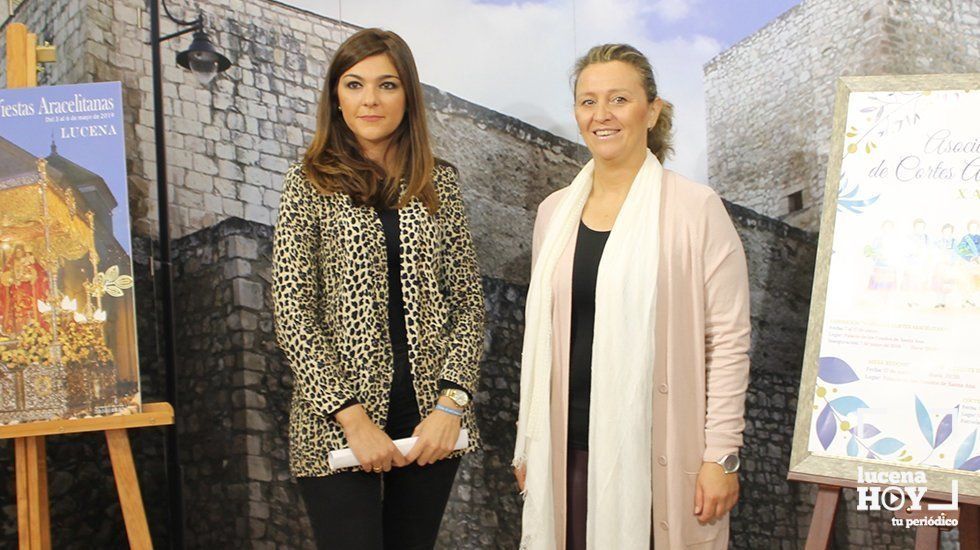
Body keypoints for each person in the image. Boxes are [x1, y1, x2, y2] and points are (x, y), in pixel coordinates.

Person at [513, 44, 750, 549]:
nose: (601, 115)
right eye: (587, 101)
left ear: (653, 110)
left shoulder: (695, 209)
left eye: (619, 99)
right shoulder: (553, 214)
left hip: (658, 449)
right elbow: (545, 338)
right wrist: (531, 444)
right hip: (568, 448)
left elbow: (727, 339)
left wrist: (721, 455)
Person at [272, 28, 485, 550]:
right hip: (335, 423)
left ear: (408, 95)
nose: (370, 99)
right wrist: (354, 420)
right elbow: (292, 309)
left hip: (431, 424)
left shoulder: (441, 182)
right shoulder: (309, 183)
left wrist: (450, 406)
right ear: (336, 98)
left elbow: (468, 303)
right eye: (354, 84)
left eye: (387, 84)